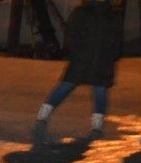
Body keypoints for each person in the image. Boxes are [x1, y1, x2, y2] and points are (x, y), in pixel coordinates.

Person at [32, 0, 123, 145]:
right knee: (66, 86)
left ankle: (97, 126)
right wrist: (76, 53)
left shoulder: (111, 14)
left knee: (99, 91)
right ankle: (43, 115)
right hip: (85, 59)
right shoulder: (83, 12)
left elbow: (117, 38)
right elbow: (72, 34)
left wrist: (113, 55)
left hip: (101, 60)